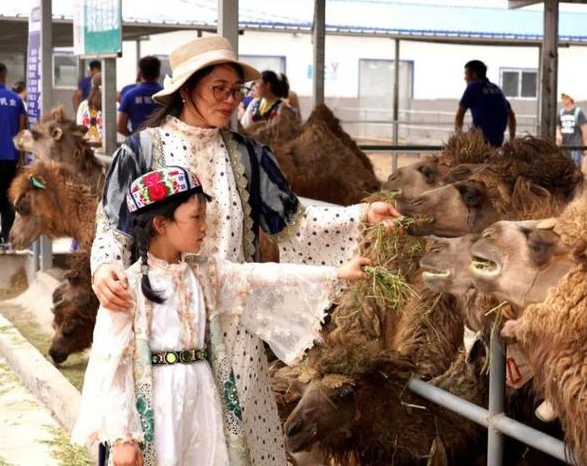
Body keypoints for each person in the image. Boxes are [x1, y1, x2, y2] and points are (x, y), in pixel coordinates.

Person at [88, 35, 401, 465]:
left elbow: (294, 223)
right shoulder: (140, 151)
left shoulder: (248, 156)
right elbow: (112, 228)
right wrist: (104, 268)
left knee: (232, 447)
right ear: (185, 90)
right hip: (157, 325)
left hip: (235, 328)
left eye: (236, 90)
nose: (231, 100)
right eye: (219, 88)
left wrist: (361, 216)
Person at [73, 166, 369, 466]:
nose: (205, 226)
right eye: (195, 217)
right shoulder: (127, 288)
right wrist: (124, 437)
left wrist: (337, 273)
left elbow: (264, 276)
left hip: (203, 403)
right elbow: (111, 366)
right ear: (161, 224)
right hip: (157, 409)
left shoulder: (205, 274)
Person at [0, 62, 26, 253]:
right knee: (8, 199)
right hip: (9, 157)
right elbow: (22, 131)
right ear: (4, 77)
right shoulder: (15, 100)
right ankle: (10, 239)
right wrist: (21, 158)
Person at [454, 60, 516, 147]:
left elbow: (460, 114)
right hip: (498, 141)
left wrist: (458, 138)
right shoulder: (497, 89)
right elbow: (511, 115)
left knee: (460, 143)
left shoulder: (473, 87)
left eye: (466, 74)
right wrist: (512, 139)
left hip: (479, 142)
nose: (465, 78)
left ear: (474, 74)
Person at [118, 56, 164, 135]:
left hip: (139, 143)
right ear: (158, 74)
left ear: (140, 73)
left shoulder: (129, 95)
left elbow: (121, 128)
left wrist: (134, 139)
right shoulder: (168, 95)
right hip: (164, 143)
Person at [555, 93, 587, 167]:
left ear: (571, 99)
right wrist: (558, 134)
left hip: (575, 144)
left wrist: (585, 147)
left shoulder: (578, 112)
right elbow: (558, 127)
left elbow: (584, 131)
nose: (563, 99)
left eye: (566, 97)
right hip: (564, 145)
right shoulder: (561, 113)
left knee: (575, 166)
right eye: (563, 98)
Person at [75, 75, 104, 143]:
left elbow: (79, 126)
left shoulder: (84, 105)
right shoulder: (112, 106)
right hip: (107, 146)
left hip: (88, 146)